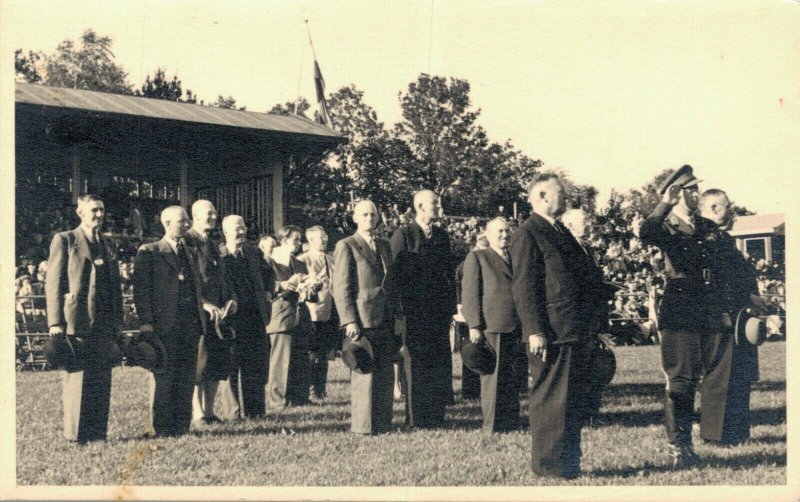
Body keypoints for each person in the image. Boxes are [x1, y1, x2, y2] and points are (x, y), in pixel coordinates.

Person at [510, 173, 610, 478]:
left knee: (572, 399)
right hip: (551, 331)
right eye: (560, 192)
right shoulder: (528, 233)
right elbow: (524, 286)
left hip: (573, 329)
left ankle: (568, 463)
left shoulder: (560, 231)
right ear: (541, 196)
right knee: (551, 399)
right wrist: (533, 330)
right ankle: (549, 465)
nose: (566, 196)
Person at [638, 164, 711, 467]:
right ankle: (676, 446)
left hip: (702, 306)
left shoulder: (704, 225)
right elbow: (646, 232)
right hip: (679, 306)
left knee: (694, 379)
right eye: (690, 189)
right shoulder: (667, 225)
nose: (696, 193)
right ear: (678, 193)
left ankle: (687, 443)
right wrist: (665, 202)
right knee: (679, 380)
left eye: (696, 188)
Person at [45, 194, 124, 443]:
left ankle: (97, 433)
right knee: (78, 376)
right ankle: (76, 434)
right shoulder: (66, 240)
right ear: (80, 213)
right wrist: (56, 321)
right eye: (93, 210)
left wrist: (117, 322)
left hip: (104, 322)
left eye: (101, 210)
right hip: (76, 320)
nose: (98, 215)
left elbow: (115, 287)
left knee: (101, 377)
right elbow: (54, 283)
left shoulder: (108, 243)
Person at [697, 189, 771, 445]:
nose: (732, 211)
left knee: (740, 375)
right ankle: (716, 434)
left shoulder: (721, 238)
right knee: (721, 376)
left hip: (739, 315)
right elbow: (720, 280)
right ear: (715, 208)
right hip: (722, 318)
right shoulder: (705, 237)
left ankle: (735, 432)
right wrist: (749, 298)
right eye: (728, 206)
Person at [133, 206, 211, 437]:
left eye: (188, 220)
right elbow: (141, 290)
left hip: (190, 324)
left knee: (186, 375)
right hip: (163, 325)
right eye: (182, 221)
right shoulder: (149, 251)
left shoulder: (189, 251)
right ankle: (162, 427)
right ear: (167, 223)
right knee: (164, 376)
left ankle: (181, 426)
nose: (187, 225)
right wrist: (146, 321)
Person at [390, 189, 457, 428]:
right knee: (416, 363)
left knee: (438, 363)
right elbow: (395, 278)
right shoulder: (403, 234)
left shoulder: (442, 236)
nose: (439, 207)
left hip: (438, 313)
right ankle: (416, 418)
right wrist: (398, 312)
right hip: (413, 313)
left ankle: (436, 416)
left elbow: (449, 275)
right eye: (435, 203)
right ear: (420, 207)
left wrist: (450, 309)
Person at [332, 199, 400, 434]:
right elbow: (341, 287)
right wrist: (349, 320)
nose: (370, 219)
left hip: (385, 316)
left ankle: (383, 423)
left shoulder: (384, 245)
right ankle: (364, 426)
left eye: (373, 214)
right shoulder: (347, 245)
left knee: (384, 372)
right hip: (362, 318)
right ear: (355, 218)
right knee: (365, 371)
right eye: (365, 215)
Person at [462, 217, 521, 432]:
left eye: (507, 231)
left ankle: (511, 421)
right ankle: (493, 425)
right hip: (491, 325)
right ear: (487, 234)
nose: (504, 235)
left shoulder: (515, 257)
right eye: (499, 231)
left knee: (512, 377)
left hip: (515, 325)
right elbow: (470, 294)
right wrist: (474, 325)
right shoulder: (478, 257)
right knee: (493, 378)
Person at [185, 200, 236, 429]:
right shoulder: (188, 241)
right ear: (195, 216)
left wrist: (231, 299)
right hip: (199, 313)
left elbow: (222, 278)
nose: (213, 217)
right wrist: (204, 304)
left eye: (215, 213)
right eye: (208, 214)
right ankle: (197, 414)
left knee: (216, 362)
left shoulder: (213, 244)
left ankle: (209, 411)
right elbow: (189, 280)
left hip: (220, 314)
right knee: (200, 364)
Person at [218, 215, 272, 419]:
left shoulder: (253, 251)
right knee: (230, 367)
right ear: (225, 232)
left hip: (255, 317)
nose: (241, 232)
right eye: (236, 229)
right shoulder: (219, 254)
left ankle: (256, 411)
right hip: (231, 320)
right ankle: (232, 413)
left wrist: (268, 292)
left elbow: (268, 273)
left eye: (243, 228)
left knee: (255, 366)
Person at [267, 225, 313, 408]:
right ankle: (278, 400)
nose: (299, 243)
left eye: (300, 239)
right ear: (284, 240)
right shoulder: (270, 261)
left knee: (300, 357)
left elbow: (309, 290)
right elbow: (268, 285)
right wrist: (284, 284)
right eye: (295, 239)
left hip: (300, 314)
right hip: (281, 314)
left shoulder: (299, 263)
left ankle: (300, 396)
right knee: (281, 359)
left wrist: (312, 287)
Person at [297, 226, 337, 401]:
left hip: (329, 310)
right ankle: (311, 388)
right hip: (311, 312)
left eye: (326, 236)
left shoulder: (331, 259)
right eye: (321, 237)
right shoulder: (302, 260)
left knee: (324, 351)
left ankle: (321, 387)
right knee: (311, 351)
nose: (325, 240)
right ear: (311, 240)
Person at [454, 232, 489, 400]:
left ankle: (479, 388)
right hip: (466, 313)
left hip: (478, 311)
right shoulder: (467, 264)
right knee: (470, 349)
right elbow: (463, 290)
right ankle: (470, 391)